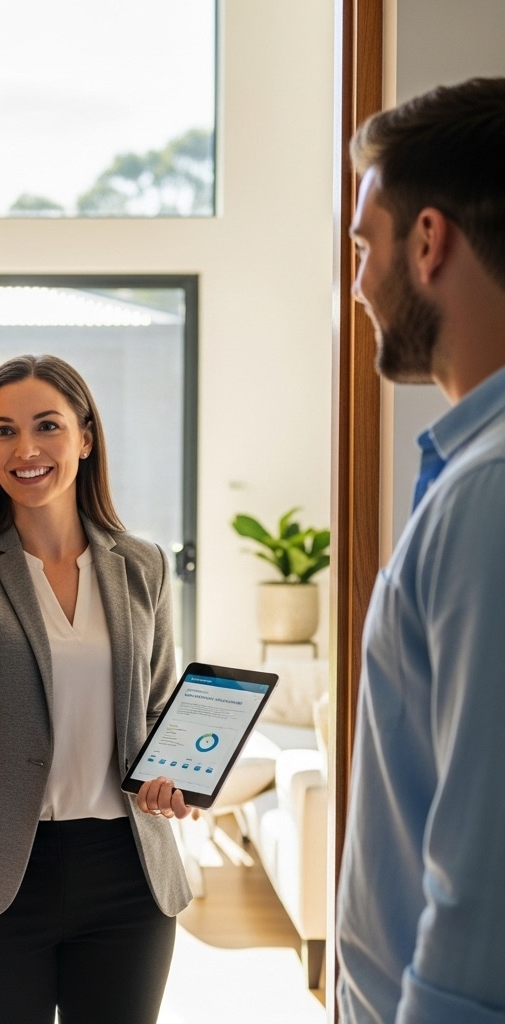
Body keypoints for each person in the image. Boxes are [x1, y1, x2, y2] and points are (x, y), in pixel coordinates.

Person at [0, 354, 194, 1024]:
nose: (25, 449)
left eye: (46, 426)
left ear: (84, 436)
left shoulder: (144, 565)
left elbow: (159, 704)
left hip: (127, 873)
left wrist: (180, 774)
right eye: (2, 431)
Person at [337, 78, 505, 1023]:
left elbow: (482, 894)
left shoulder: (488, 490)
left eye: (366, 245)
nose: (357, 281)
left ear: (429, 241)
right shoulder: (470, 469)